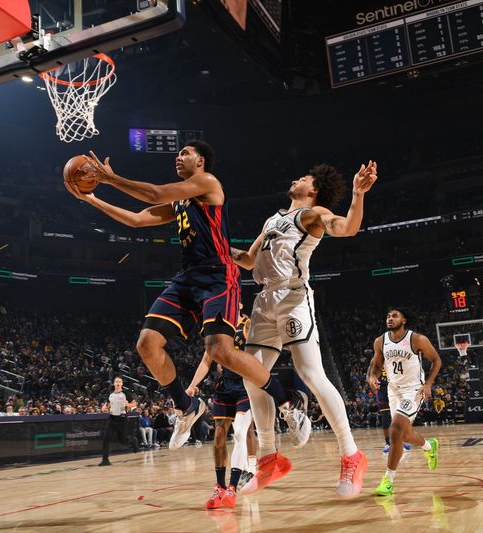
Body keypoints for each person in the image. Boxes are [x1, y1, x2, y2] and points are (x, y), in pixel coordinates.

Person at [67, 142, 307, 451]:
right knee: (147, 343)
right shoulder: (181, 201)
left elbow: (154, 193)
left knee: (220, 350)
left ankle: (288, 404)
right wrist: (92, 198)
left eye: (185, 153)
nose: (178, 157)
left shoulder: (208, 183)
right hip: (188, 277)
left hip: (219, 276)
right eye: (177, 154)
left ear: (201, 161)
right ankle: (187, 406)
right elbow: (137, 219)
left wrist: (110, 178)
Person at [230, 162, 377, 497]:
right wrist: (222, 249)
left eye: (304, 178)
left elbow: (346, 228)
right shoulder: (272, 219)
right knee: (251, 374)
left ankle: (351, 454)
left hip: (293, 298)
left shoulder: (313, 214)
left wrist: (357, 194)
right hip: (264, 300)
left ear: (313, 191)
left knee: (310, 373)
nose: (296, 177)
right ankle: (269, 458)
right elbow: (250, 260)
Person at [366, 308, 441, 496]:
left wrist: (428, 384)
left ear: (404, 320)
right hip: (393, 390)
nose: (390, 319)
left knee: (395, 429)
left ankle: (388, 481)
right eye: (388, 316)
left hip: (413, 389)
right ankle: (429, 446)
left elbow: (436, 361)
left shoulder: (417, 339)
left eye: (394, 316)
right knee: (405, 435)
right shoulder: (380, 341)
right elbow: (376, 364)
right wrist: (372, 377)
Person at [187, 312, 257, 509]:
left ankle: (233, 487)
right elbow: (206, 360)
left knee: (242, 432)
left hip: (245, 383)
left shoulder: (248, 323)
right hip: (225, 386)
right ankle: (220, 486)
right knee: (218, 436)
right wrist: (192, 385)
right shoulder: (217, 328)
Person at [99, 377, 139, 466]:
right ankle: (105, 460)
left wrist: (127, 404)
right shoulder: (111, 395)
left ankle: (133, 441)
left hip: (122, 419)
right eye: (116, 381)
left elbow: (134, 404)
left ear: (122, 384)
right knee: (106, 439)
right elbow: (108, 405)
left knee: (123, 441)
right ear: (114, 383)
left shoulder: (126, 394)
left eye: (119, 382)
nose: (118, 383)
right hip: (112, 418)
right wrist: (105, 407)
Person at [377, 369, 411, 452]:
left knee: (398, 418)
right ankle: (388, 443)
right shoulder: (377, 362)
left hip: (395, 392)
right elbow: (371, 375)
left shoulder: (394, 359)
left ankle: (401, 440)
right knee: (385, 419)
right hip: (383, 394)